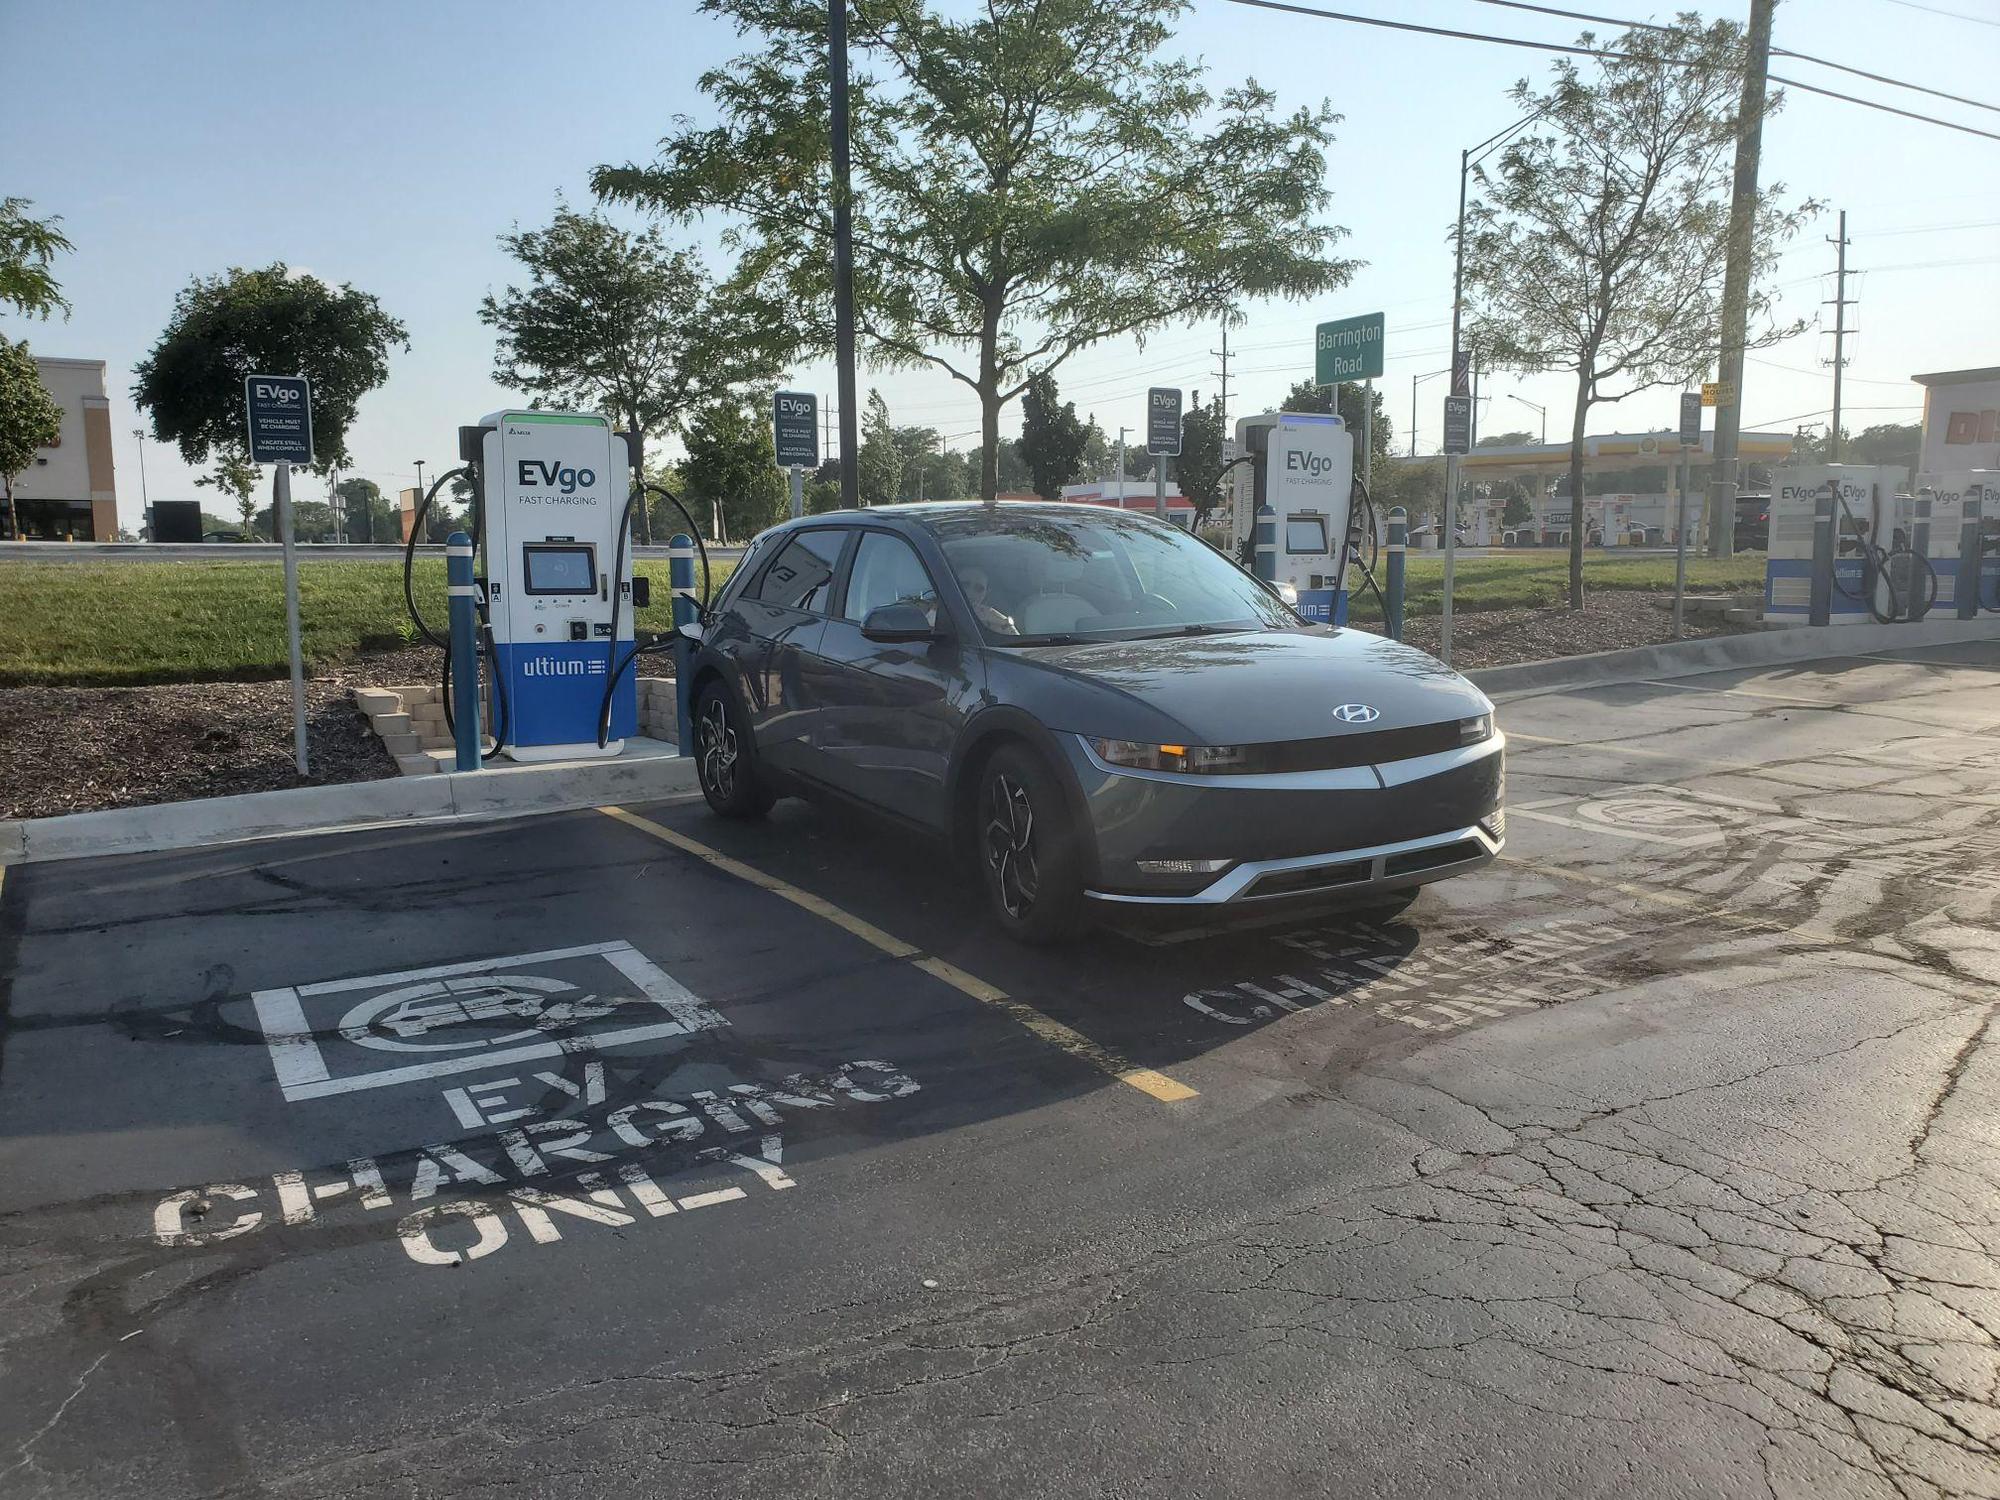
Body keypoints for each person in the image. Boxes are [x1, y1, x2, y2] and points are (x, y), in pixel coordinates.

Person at [957, 566, 1019, 635]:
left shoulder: (997, 623)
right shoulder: (943, 613)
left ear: (986, 593)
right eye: (965, 585)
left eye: (979, 589)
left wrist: (1000, 623)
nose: (970, 592)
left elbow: (1017, 641)